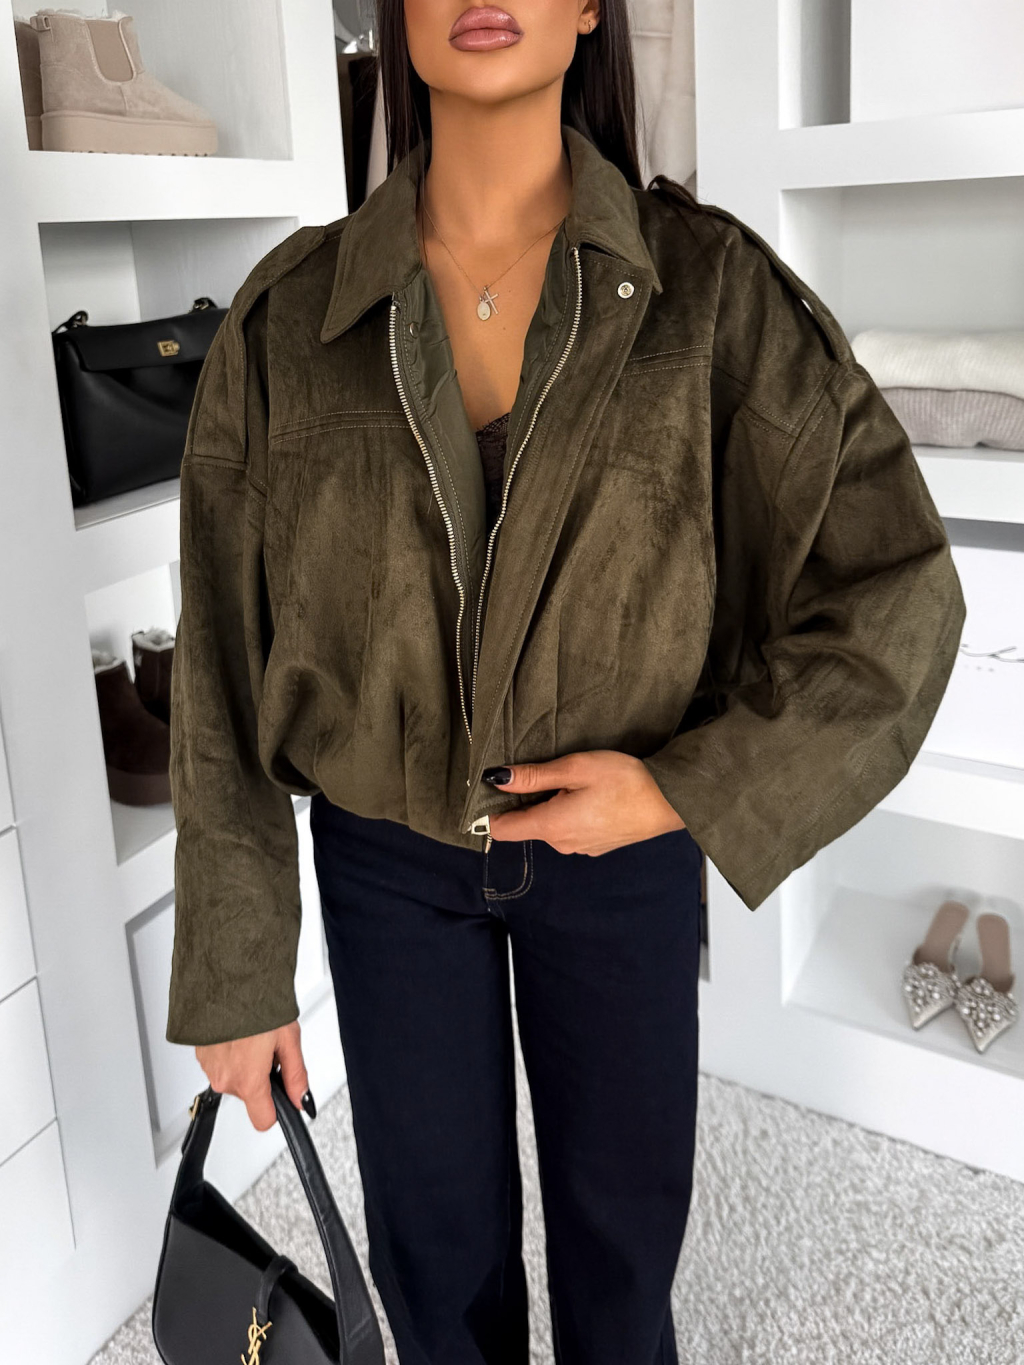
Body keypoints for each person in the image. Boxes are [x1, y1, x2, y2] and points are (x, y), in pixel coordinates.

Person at [164, 0, 967, 1360]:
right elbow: (222, 667)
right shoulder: (290, 317)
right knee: (434, 1260)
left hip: (620, 861)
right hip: (386, 865)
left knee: (622, 1252)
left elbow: (897, 589)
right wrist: (240, 974)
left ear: (590, 6)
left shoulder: (710, 293)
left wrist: (679, 790)